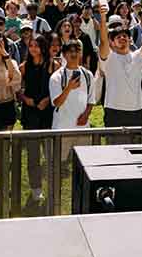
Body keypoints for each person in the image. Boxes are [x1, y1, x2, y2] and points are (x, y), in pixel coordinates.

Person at [98, 7, 142, 128]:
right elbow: (103, 41)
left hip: (136, 111)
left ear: (130, 40)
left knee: (135, 147)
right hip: (113, 110)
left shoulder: (138, 57)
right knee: (113, 146)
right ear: (112, 42)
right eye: (118, 37)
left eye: (125, 36)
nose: (122, 38)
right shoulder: (108, 58)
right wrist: (102, 17)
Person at [19, 34, 52, 208]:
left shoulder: (52, 65)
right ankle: (36, 188)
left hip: (47, 112)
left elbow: (57, 87)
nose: (33, 49)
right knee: (33, 154)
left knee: (49, 154)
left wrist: (47, 99)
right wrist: (25, 99)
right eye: (31, 45)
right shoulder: (24, 67)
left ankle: (52, 186)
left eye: (37, 46)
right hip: (30, 113)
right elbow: (18, 88)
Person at [49, 39, 95, 130]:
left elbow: (91, 101)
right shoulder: (57, 77)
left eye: (77, 51)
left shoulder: (88, 75)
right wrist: (69, 88)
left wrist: (85, 116)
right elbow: (56, 103)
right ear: (64, 55)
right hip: (62, 127)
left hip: (82, 127)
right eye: (70, 51)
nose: (74, 54)